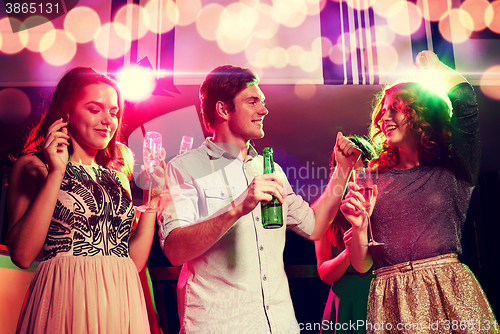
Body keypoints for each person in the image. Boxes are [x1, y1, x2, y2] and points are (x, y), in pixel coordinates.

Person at [157, 65, 361, 333]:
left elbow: (314, 226)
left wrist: (342, 169)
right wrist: (238, 207)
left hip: (277, 324)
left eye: (262, 102)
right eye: (252, 102)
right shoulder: (185, 167)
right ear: (222, 110)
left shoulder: (270, 169)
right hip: (219, 325)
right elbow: (174, 251)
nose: (264, 110)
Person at [341, 51, 498, 333]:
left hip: (449, 291)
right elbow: (362, 264)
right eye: (382, 111)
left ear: (420, 113)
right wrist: (360, 226)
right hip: (390, 298)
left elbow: (465, 103)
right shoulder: (371, 179)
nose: (383, 119)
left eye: (395, 108)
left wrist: (437, 68)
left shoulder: (455, 168)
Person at [6, 67, 162, 333]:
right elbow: (21, 255)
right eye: (94, 109)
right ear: (67, 111)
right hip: (66, 296)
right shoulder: (33, 166)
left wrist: (153, 198)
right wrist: (57, 172)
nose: (108, 120)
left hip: (121, 297)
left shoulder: (118, 177)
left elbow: (132, 262)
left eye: (113, 112)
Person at [315, 135, 376, 334]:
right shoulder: (328, 212)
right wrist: (349, 252)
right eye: (346, 170)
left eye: (359, 171)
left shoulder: (383, 204)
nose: (353, 180)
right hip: (342, 305)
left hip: (379, 297)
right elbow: (324, 273)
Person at [109, 141, 164, 334]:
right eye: (110, 159)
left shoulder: (140, 214)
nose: (115, 166)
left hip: (131, 286)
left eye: (120, 163)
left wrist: (151, 318)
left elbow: (141, 270)